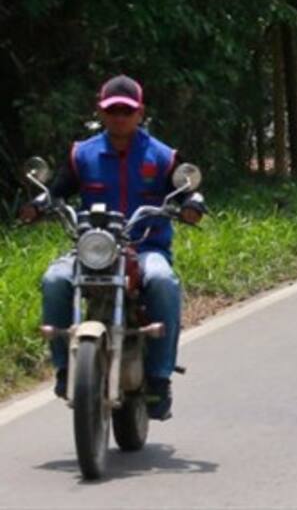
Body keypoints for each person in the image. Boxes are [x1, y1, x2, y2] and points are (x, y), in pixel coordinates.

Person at [19, 75, 205, 419]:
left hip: (145, 248)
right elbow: (58, 190)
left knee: (164, 282)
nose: (119, 117)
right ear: (101, 112)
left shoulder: (163, 156)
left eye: (126, 111)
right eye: (112, 110)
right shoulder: (83, 154)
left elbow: (187, 187)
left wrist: (193, 203)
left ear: (140, 113)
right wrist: (40, 205)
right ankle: (63, 369)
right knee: (55, 280)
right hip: (94, 248)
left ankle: (159, 379)